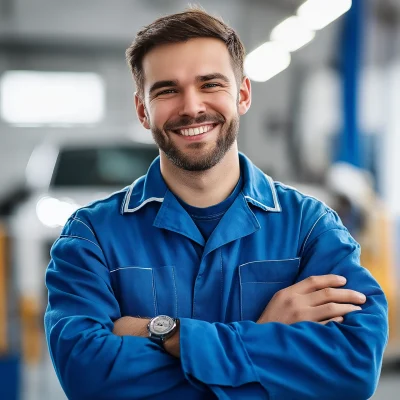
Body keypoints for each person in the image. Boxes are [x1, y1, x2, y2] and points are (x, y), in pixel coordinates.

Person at [44, 7, 388, 400]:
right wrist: (265, 337)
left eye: (210, 84)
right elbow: (90, 379)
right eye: (167, 90)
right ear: (143, 110)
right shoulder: (92, 236)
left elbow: (354, 367)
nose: (191, 106)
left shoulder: (309, 228)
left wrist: (171, 333)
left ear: (241, 95)